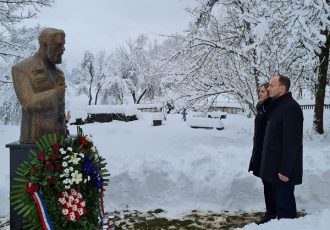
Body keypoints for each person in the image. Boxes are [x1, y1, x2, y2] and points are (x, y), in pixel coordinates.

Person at [259, 75, 303, 220]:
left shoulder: (291, 108)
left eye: (272, 85)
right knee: (278, 210)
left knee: (285, 214)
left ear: (282, 88)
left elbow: (291, 143)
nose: (268, 88)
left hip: (282, 173)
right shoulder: (277, 106)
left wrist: (285, 169)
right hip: (273, 169)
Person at [12, 28, 66, 143]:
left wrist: (64, 133)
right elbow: (29, 102)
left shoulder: (59, 73)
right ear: (45, 44)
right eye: (59, 45)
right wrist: (56, 93)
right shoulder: (22, 69)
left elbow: (60, 111)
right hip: (33, 140)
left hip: (58, 141)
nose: (63, 49)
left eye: (63, 45)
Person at [248, 83, 275, 224]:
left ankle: (271, 214)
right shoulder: (262, 108)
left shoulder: (271, 108)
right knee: (266, 182)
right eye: (260, 91)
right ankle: (270, 212)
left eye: (263, 91)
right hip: (260, 150)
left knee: (269, 182)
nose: (260, 93)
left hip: (267, 152)